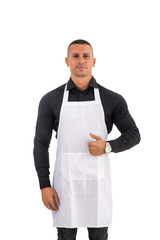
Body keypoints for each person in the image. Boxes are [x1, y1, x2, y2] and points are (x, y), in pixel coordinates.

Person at [33, 39, 140, 240]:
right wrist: (44, 185)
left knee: (99, 234)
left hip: (97, 184)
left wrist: (108, 147)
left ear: (94, 61)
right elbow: (40, 143)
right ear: (67, 61)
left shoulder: (112, 99)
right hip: (65, 185)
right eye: (75, 56)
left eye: (86, 56)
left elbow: (133, 134)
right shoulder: (51, 100)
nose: (81, 60)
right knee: (65, 235)